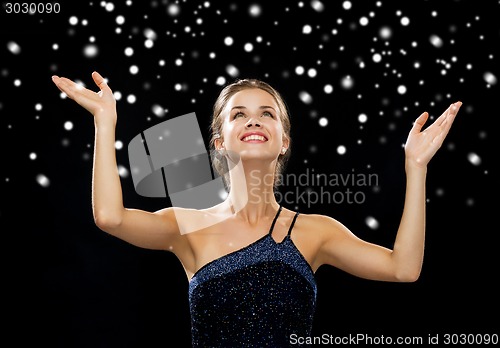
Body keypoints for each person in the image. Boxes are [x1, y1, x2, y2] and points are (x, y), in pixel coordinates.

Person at [51, 71, 462, 347]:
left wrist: (416, 168)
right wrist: (105, 123)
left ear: (283, 141)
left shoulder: (316, 231)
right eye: (239, 115)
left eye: (267, 114)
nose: (254, 121)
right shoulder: (187, 225)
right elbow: (110, 216)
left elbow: (403, 268)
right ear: (219, 141)